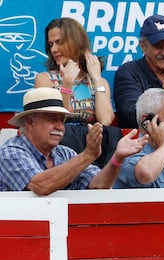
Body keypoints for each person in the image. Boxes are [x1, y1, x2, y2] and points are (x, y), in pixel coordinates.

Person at [0, 88, 144, 195]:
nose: (60, 127)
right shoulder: (10, 152)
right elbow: (42, 185)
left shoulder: (65, 153)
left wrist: (117, 158)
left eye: (62, 120)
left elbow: (99, 185)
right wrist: (88, 155)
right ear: (30, 123)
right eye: (52, 119)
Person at [35, 17, 119, 167]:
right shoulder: (45, 79)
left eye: (59, 42)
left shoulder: (99, 82)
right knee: (64, 131)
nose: (54, 49)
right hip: (62, 139)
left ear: (76, 42)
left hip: (90, 140)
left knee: (112, 134)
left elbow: (105, 120)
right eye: (51, 44)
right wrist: (67, 83)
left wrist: (97, 79)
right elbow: (56, 119)